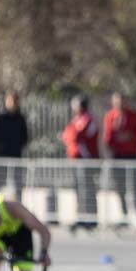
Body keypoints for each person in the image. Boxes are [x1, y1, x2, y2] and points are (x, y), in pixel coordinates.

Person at [103, 92, 136, 223]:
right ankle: (124, 213)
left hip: (132, 155)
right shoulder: (110, 116)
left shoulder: (134, 116)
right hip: (117, 156)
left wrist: (131, 136)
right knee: (120, 186)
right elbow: (107, 137)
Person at [61, 95, 99, 231]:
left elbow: (76, 135)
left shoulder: (87, 119)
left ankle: (91, 219)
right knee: (79, 189)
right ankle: (81, 216)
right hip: (76, 160)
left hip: (86, 160)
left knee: (87, 189)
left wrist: (70, 133)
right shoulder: (76, 120)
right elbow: (66, 135)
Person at [0, 91, 28, 194]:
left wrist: (16, 145)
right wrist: (1, 145)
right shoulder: (0, 118)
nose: (12, 103)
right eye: (10, 100)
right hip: (2, 156)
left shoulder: (21, 119)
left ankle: (18, 207)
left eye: (15, 100)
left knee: (18, 185)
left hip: (16, 156)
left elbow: (25, 137)